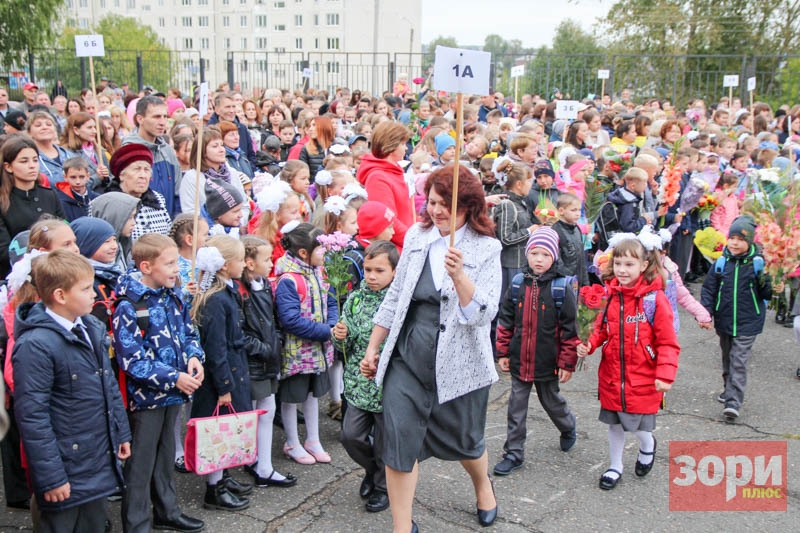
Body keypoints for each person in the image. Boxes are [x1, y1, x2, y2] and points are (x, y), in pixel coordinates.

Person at [360, 165, 501, 531]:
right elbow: (395, 298)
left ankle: (483, 486)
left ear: (468, 206)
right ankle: (402, 526)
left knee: (466, 442)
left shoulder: (486, 248)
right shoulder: (417, 238)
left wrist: (460, 276)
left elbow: (484, 313)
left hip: (460, 362)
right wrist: (374, 347)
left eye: (446, 204)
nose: (436, 211)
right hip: (408, 359)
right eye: (433, 202)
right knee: (399, 444)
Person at [13, 251, 130, 532]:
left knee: (94, 523)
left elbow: (108, 387)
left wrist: (121, 432)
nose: (95, 295)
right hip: (64, 465)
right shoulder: (36, 345)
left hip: (95, 457)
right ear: (60, 296)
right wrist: (51, 477)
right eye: (86, 288)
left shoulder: (91, 327)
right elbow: (33, 417)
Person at [112, 234, 206, 533]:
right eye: (169, 264)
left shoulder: (174, 295)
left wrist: (194, 358)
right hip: (147, 398)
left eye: (177, 262)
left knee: (165, 456)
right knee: (141, 462)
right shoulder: (130, 306)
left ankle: (167, 510)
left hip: (175, 393)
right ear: (146, 266)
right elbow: (133, 361)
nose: (177, 269)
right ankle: (136, 522)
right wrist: (173, 377)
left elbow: (189, 333)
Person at [577, 235, 680, 490]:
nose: (622, 270)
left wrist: (665, 374)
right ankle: (615, 466)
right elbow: (600, 329)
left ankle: (648, 446)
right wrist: (588, 343)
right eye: (619, 264)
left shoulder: (654, 300)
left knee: (638, 426)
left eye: (629, 265)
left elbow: (667, 341)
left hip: (643, 378)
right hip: (612, 375)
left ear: (644, 265)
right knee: (614, 424)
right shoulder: (610, 296)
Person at [494, 228, 579, 477]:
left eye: (544, 254)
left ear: (554, 256)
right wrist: (503, 353)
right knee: (516, 406)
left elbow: (569, 329)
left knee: (551, 401)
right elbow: (506, 319)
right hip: (520, 359)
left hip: (547, 361)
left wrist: (567, 362)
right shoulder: (518, 283)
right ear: (527, 254)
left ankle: (568, 426)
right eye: (534, 253)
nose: (538, 259)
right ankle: (513, 452)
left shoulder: (561, 288)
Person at [333, 241, 399, 514]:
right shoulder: (355, 298)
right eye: (368, 269)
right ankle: (372, 470)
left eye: (380, 270)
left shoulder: (399, 303)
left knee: (385, 441)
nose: (372, 276)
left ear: (395, 272)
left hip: (387, 382)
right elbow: (343, 346)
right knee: (351, 436)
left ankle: (383, 488)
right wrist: (339, 337)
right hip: (359, 382)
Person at [189, 235, 254, 511]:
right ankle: (214, 488)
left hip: (232, 369)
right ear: (225, 265)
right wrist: (224, 386)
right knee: (217, 431)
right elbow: (216, 349)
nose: (244, 265)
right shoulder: (217, 300)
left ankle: (224, 477)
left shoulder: (226, 292)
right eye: (240, 260)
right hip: (221, 377)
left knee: (226, 430)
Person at [274, 223, 338, 465]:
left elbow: (330, 301)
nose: (325, 254)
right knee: (292, 398)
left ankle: (313, 439)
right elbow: (290, 320)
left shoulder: (318, 272)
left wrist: (332, 324)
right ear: (303, 252)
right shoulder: (289, 279)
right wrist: (325, 331)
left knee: (313, 395)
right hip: (297, 353)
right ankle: (292, 442)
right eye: (321, 249)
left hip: (318, 350)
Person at [238, 236, 297, 489]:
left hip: (268, 358)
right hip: (256, 361)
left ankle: (259, 462)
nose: (271, 262)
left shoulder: (265, 285)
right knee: (260, 411)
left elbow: (273, 320)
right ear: (249, 263)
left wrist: (278, 341)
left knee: (265, 410)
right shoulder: (242, 292)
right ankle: (261, 466)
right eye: (265, 258)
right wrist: (264, 349)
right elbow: (239, 332)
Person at [700, 216, 773, 420]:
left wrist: (769, 283)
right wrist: (706, 313)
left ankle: (733, 402)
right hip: (724, 321)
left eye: (740, 239)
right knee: (727, 357)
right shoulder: (721, 262)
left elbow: (766, 294)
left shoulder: (757, 263)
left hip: (748, 321)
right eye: (731, 238)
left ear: (749, 241)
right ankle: (728, 390)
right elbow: (709, 289)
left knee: (738, 360)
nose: (734, 243)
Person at [0, 136, 66, 278]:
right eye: (24, 161)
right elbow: (4, 252)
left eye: (35, 160)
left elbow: (65, 231)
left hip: (56, 271)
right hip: (16, 276)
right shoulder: (2, 202)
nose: (32, 165)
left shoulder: (50, 195)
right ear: (8, 167)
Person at [356, 121, 414, 252]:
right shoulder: (378, 177)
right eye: (403, 144)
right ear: (391, 145)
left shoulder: (393, 171)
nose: (406, 148)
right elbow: (387, 221)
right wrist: (414, 240)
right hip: (397, 249)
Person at [122, 96, 183, 215]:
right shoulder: (129, 151)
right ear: (140, 118)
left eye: (165, 116)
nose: (162, 122)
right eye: (156, 117)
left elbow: (177, 192)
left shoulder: (167, 151)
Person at [106, 142, 172, 240]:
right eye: (137, 169)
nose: (143, 175)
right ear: (121, 175)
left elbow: (169, 234)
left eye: (146, 170)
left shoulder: (158, 199)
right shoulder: (111, 204)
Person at [493, 160, 538, 296]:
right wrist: (530, 231)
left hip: (522, 262)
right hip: (511, 264)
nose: (531, 185)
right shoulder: (507, 204)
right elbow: (505, 238)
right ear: (519, 184)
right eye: (529, 181)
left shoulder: (520, 202)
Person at [179, 127, 247, 215]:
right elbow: (190, 211)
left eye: (222, 145)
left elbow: (244, 205)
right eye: (215, 146)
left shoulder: (232, 173)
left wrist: (237, 222)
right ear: (203, 151)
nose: (222, 150)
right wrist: (215, 225)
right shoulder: (192, 178)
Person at [60, 111, 110, 191]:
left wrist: (106, 177)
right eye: (89, 128)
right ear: (76, 130)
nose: (94, 131)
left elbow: (110, 177)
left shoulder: (99, 150)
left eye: (94, 127)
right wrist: (97, 177)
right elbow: (74, 186)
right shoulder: (67, 154)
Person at [25, 110, 74, 184]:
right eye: (38, 125)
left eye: (49, 124)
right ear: (29, 132)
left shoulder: (68, 154)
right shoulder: (29, 159)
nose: (44, 127)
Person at [552, 193, 589, 287]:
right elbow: (557, 263)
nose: (578, 214)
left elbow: (582, 260)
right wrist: (568, 281)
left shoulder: (577, 229)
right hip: (563, 283)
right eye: (573, 210)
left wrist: (585, 284)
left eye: (579, 210)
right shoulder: (555, 231)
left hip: (578, 282)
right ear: (561, 211)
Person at [56, 157, 99, 221]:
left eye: (82, 177)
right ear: (65, 177)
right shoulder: (60, 202)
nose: (78, 182)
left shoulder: (98, 199)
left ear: (88, 176)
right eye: (73, 177)